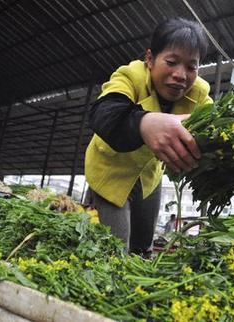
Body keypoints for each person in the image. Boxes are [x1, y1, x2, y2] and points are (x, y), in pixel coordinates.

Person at [85, 18, 211, 255]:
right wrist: (144, 122)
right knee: (115, 249)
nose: (180, 75)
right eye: (171, 62)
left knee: (143, 246)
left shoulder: (199, 94)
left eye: (191, 67)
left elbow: (213, 130)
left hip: (148, 177)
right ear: (150, 59)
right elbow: (104, 114)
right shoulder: (130, 76)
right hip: (111, 172)